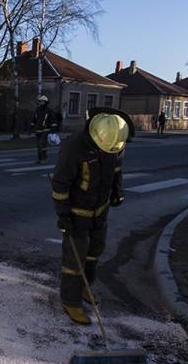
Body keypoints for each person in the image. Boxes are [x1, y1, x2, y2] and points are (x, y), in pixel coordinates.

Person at [50, 109, 131, 325]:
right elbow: (60, 184)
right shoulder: (73, 147)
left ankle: (85, 287)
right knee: (75, 258)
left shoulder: (114, 141)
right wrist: (63, 214)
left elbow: (116, 170)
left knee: (95, 251)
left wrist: (117, 191)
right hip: (77, 213)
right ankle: (70, 300)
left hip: (100, 210)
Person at [32, 94, 57, 164]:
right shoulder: (37, 110)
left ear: (46, 102)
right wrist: (31, 126)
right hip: (38, 129)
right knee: (38, 145)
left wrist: (53, 129)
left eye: (43, 101)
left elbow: (53, 120)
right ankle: (39, 159)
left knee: (42, 144)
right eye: (41, 101)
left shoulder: (49, 110)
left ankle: (44, 159)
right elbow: (34, 119)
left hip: (45, 129)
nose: (41, 102)